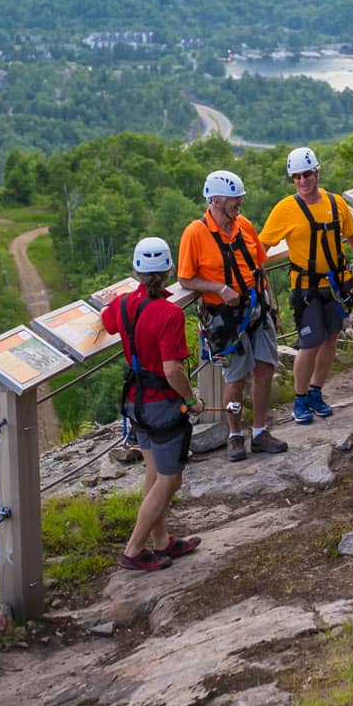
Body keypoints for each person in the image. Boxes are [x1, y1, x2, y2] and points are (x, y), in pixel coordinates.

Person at [101, 237, 201, 572]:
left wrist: (107, 302)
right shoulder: (170, 313)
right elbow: (172, 369)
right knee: (171, 479)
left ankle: (161, 543)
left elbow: (109, 321)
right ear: (169, 269)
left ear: (135, 271)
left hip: (135, 402)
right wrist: (191, 399)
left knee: (155, 472)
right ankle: (133, 550)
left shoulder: (124, 305)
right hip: (162, 405)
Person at [178, 170, 288, 463]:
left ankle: (260, 430)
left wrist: (272, 308)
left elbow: (261, 269)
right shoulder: (196, 233)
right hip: (226, 316)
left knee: (265, 368)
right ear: (215, 199)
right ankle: (235, 434)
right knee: (236, 378)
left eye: (240, 197)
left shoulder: (244, 227)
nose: (239, 202)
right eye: (233, 199)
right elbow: (186, 279)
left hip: (256, 307)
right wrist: (219, 288)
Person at [259, 147, 353, 425]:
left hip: (336, 285)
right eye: (296, 176)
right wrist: (259, 289)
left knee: (331, 338)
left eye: (307, 174)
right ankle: (300, 399)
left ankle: (315, 392)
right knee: (309, 344)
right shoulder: (285, 209)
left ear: (317, 173)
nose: (302, 181)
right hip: (307, 289)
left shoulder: (335, 204)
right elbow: (260, 249)